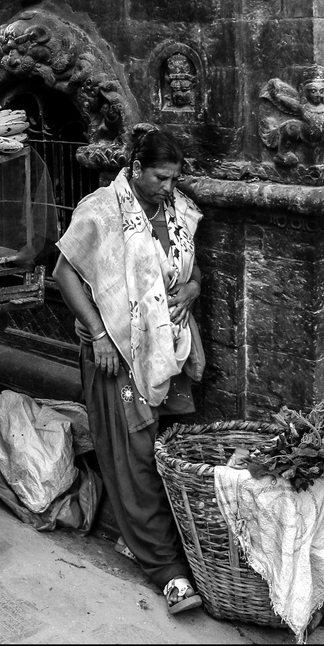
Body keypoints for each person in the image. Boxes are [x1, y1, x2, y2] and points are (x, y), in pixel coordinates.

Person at [53, 124, 206, 615]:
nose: (168, 186)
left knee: (163, 450)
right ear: (136, 169)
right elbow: (63, 273)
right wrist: (99, 333)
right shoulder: (100, 210)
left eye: (173, 178)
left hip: (166, 349)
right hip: (116, 351)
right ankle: (169, 571)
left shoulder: (177, 211)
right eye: (160, 177)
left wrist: (192, 290)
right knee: (136, 454)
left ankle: (146, 535)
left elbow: (188, 271)